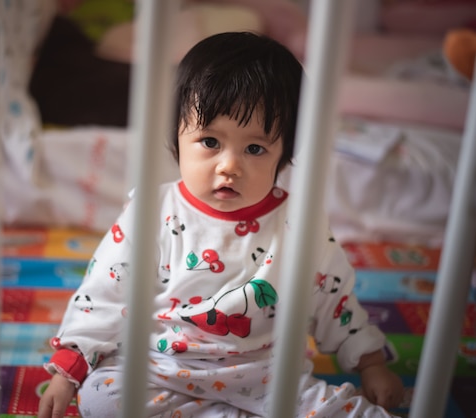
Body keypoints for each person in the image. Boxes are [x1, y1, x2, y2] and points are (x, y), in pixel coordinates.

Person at [37, 32, 404, 418]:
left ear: (285, 153)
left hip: (267, 376)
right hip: (161, 367)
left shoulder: (300, 223)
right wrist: (70, 367)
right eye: (210, 141)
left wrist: (371, 364)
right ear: (177, 136)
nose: (229, 165)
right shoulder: (151, 210)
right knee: (101, 398)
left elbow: (334, 298)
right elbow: (106, 291)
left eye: (255, 148)